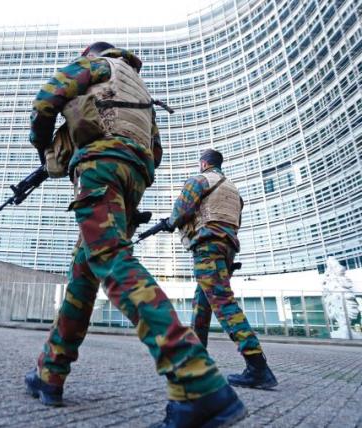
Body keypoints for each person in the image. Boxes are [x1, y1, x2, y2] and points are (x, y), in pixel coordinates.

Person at [24, 42, 246, 427]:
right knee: (84, 272)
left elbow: (47, 98)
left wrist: (44, 145)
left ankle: (196, 380)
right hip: (134, 177)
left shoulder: (96, 66)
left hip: (101, 168)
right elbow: (155, 151)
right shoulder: (140, 89)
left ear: (95, 52)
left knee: (109, 258)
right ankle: (50, 373)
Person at [163, 148, 277, 390]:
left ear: (203, 164)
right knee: (202, 305)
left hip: (208, 248)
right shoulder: (234, 190)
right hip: (227, 248)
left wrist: (169, 223)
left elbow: (180, 212)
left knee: (223, 303)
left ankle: (258, 367)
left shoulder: (199, 180)